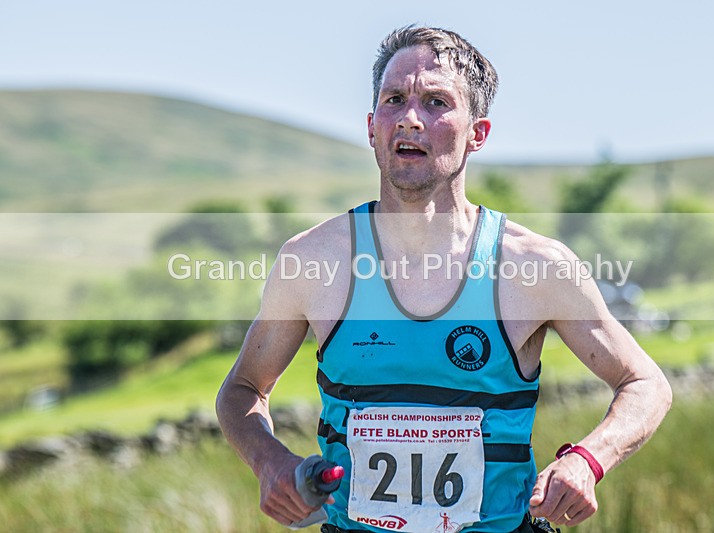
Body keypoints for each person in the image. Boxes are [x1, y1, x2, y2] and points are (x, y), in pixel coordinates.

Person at [216, 25, 672, 532]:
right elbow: (241, 389)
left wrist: (587, 461)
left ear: (478, 133)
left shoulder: (536, 266)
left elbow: (646, 384)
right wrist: (270, 462)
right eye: (394, 100)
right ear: (372, 126)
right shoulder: (312, 260)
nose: (410, 118)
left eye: (435, 102)